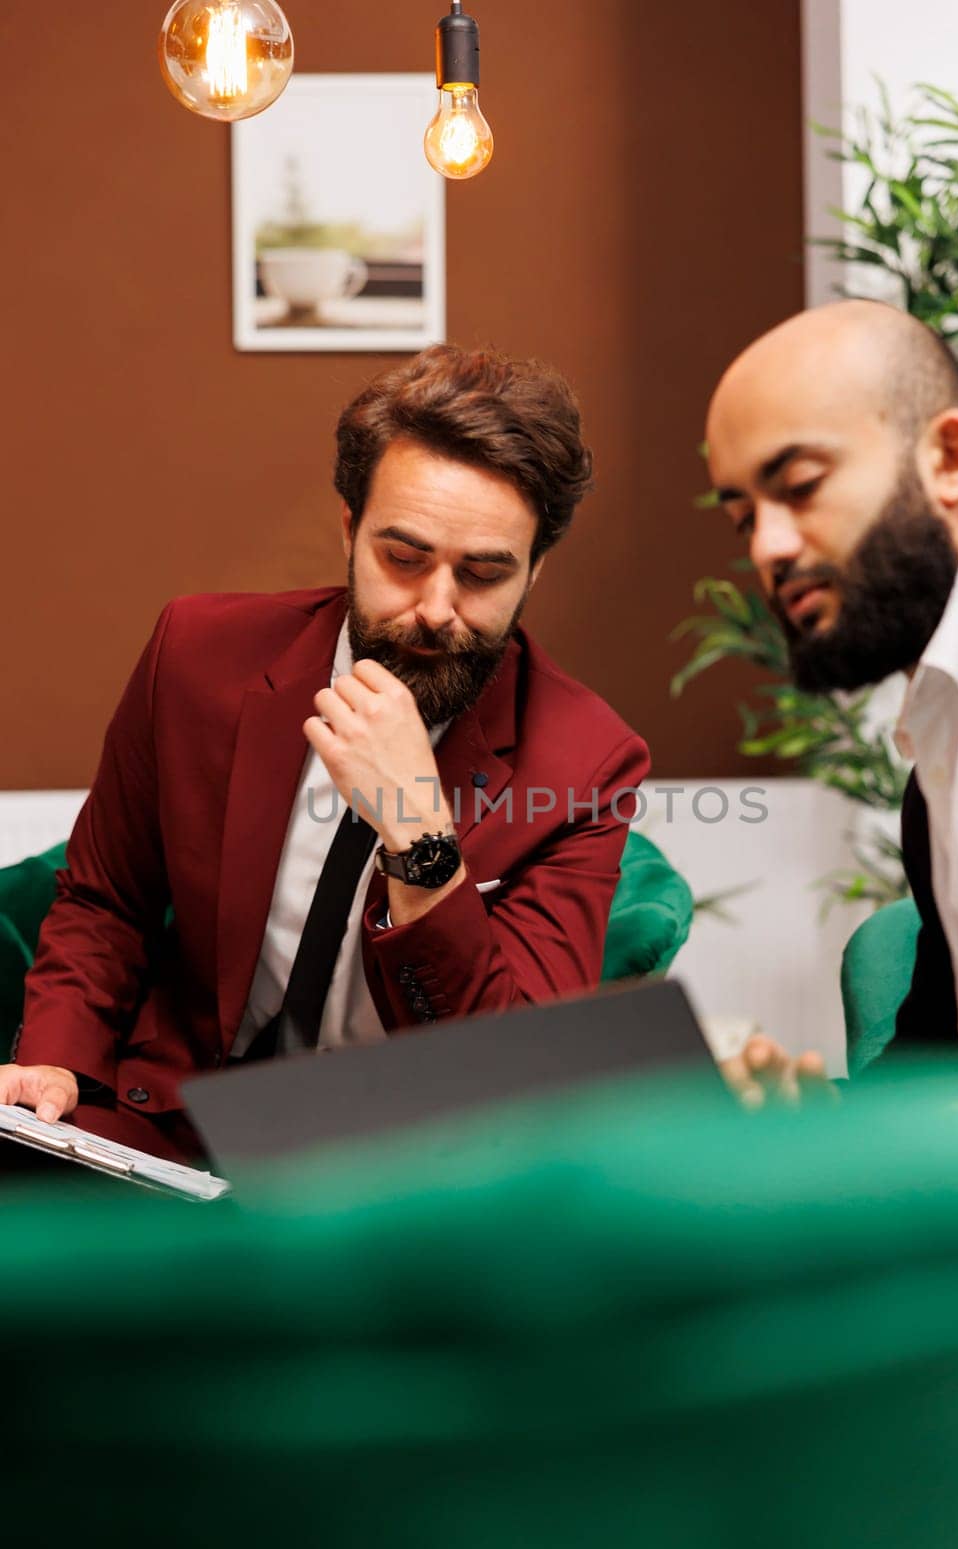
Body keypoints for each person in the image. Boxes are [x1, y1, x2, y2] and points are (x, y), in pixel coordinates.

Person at [3, 346, 650, 1161]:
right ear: (350, 529)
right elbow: (107, 903)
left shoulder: (587, 763)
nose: (435, 610)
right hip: (176, 1115)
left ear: (534, 573)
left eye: (484, 573)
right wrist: (55, 1064)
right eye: (403, 559)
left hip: (402, 1160)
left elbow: (509, 1076)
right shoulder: (197, 654)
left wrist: (419, 839)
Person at [704, 297, 958, 1100]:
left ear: (949, 457)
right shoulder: (941, 753)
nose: (767, 547)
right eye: (742, 521)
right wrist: (826, 1127)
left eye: (798, 486)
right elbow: (951, 1057)